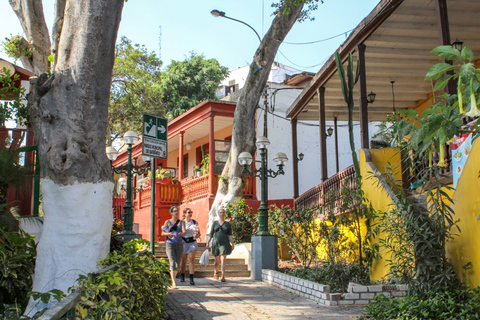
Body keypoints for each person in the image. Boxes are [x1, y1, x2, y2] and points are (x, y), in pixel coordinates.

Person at [206, 207, 234, 282]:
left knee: (223, 259)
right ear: (218, 214)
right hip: (216, 242)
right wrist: (208, 242)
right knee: (217, 260)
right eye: (220, 212)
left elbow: (230, 235)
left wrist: (232, 243)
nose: (221, 214)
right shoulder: (215, 223)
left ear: (225, 214)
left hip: (224, 243)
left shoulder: (227, 224)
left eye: (223, 212)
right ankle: (216, 271)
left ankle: (223, 276)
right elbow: (211, 234)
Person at [161, 205, 185, 289]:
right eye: (174, 211)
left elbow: (184, 231)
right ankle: (173, 282)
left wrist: (182, 234)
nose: (176, 212)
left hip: (179, 244)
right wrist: (169, 234)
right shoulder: (167, 222)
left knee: (177, 264)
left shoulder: (182, 222)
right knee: (172, 262)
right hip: (170, 244)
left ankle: (173, 278)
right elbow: (163, 233)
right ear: (171, 213)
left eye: (177, 211)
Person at [179, 208, 201, 285]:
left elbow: (198, 232)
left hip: (192, 242)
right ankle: (182, 274)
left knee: (191, 259)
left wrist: (197, 234)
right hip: (184, 241)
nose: (190, 214)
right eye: (188, 212)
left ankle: (191, 277)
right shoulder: (182, 223)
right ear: (184, 214)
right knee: (183, 261)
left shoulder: (194, 222)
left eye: (191, 212)